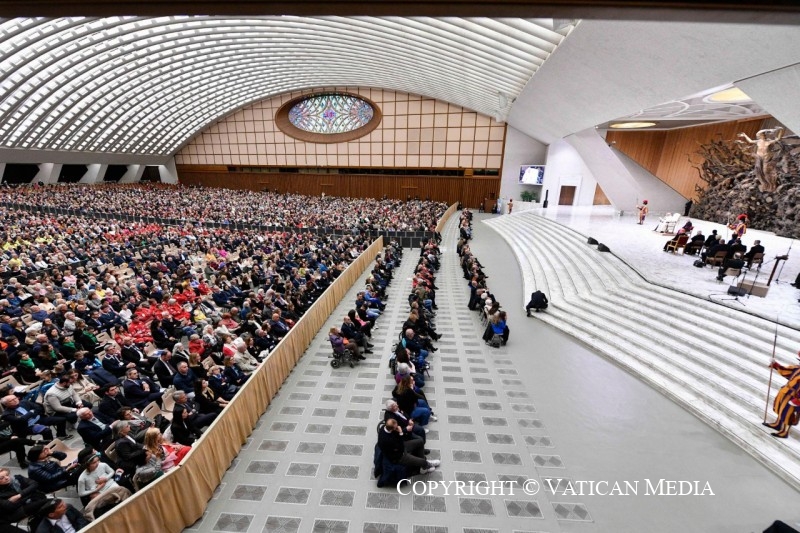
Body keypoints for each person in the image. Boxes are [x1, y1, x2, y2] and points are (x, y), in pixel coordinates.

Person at [77, 453, 131, 520]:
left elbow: (112, 472)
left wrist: (105, 479)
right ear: (88, 465)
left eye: (97, 461)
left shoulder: (103, 465)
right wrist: (96, 490)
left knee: (121, 492)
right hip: (98, 491)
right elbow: (81, 493)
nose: (97, 463)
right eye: (94, 463)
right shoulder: (82, 478)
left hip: (110, 484)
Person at [764, 354, 800, 438]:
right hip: (786, 391)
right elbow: (785, 371)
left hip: (795, 396)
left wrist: (798, 400)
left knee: (788, 413)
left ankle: (785, 432)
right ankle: (778, 424)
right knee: (781, 408)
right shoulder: (797, 368)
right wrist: (776, 364)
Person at [738, 127, 784, 192]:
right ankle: (764, 184)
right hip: (759, 158)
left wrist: (781, 130)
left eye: (762, 135)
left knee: (765, 171)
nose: (762, 135)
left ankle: (771, 184)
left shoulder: (769, 141)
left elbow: (778, 138)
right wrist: (745, 135)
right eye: (760, 135)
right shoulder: (758, 142)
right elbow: (750, 141)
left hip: (766, 158)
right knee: (759, 172)